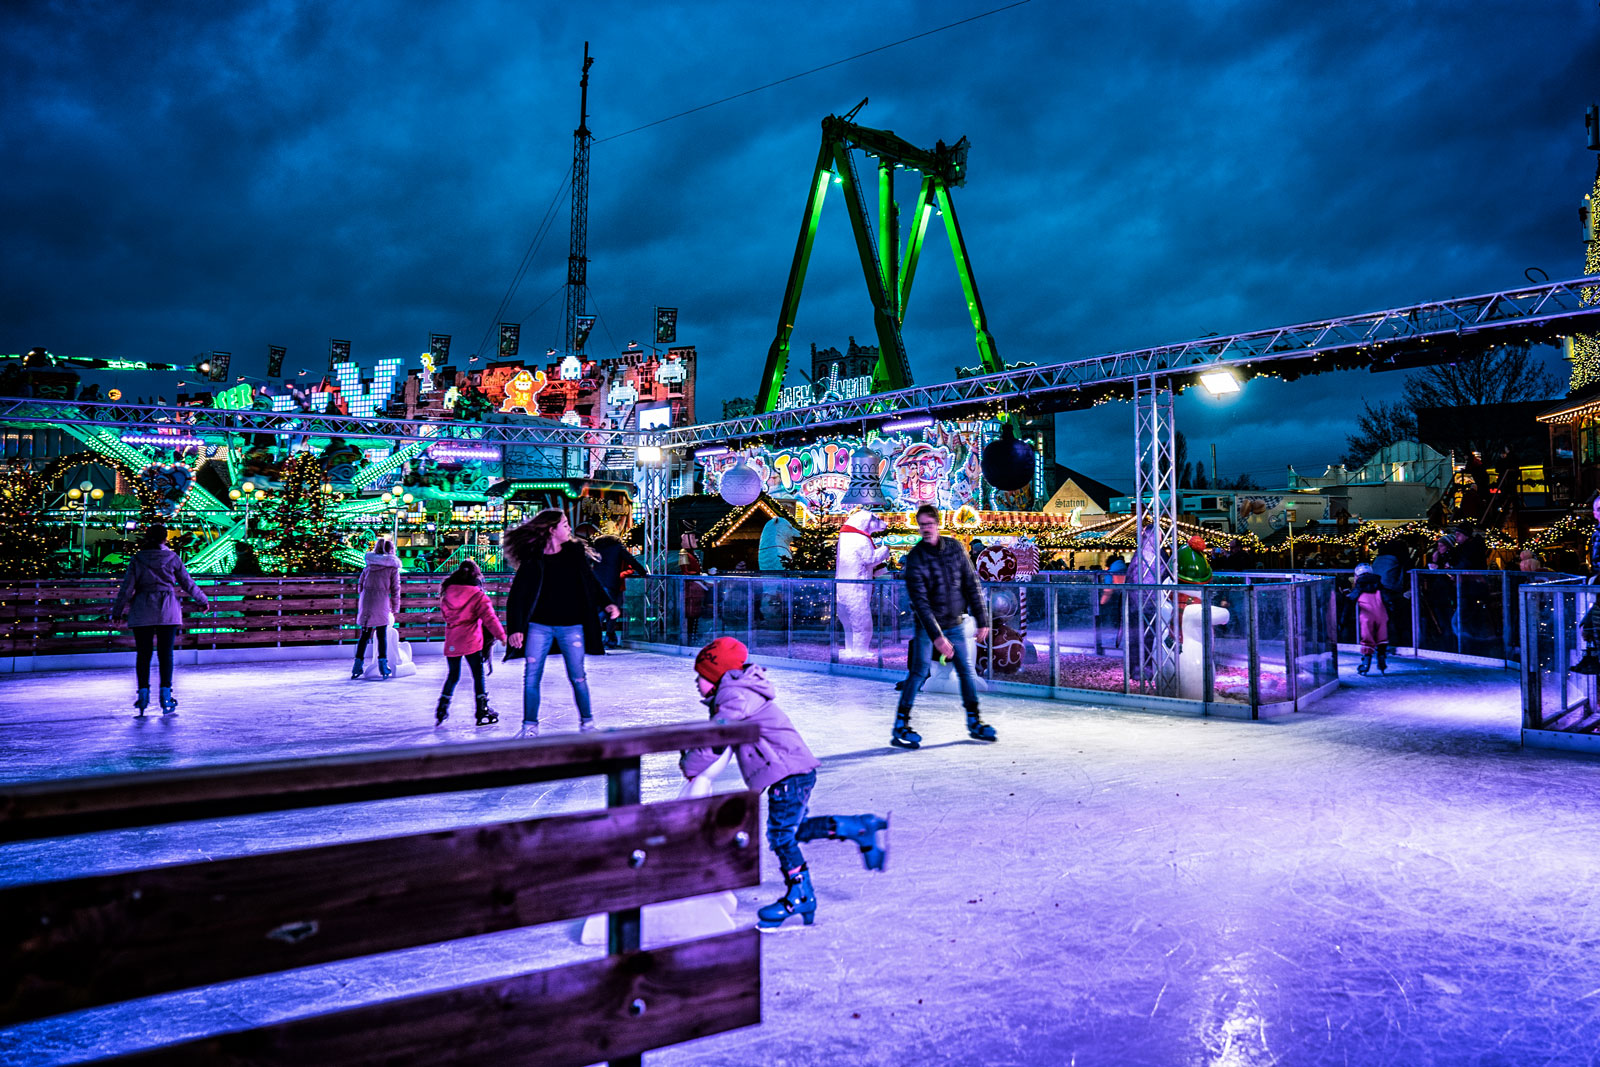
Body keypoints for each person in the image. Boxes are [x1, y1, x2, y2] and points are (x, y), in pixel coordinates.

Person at [681, 637, 887, 931]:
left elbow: (715, 741)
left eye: (700, 676)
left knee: (781, 837)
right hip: (794, 772)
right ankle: (857, 827)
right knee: (796, 830)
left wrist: (688, 765)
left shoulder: (734, 697)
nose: (696, 681)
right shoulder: (737, 692)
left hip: (786, 776)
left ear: (717, 676)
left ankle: (800, 895)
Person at [503, 509, 620, 728]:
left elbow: (590, 580)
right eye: (564, 524)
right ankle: (529, 725)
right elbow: (517, 595)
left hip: (571, 626)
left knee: (578, 676)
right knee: (531, 678)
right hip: (539, 626)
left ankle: (587, 722)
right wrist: (516, 629)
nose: (568, 528)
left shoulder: (573, 552)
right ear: (551, 530)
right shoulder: (534, 556)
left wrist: (607, 602)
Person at [893, 503, 995, 749]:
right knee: (918, 672)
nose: (926, 529)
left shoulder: (955, 548)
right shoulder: (916, 557)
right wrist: (937, 636)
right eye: (922, 525)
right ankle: (901, 723)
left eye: (929, 524)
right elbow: (920, 602)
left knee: (965, 670)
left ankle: (974, 721)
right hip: (928, 627)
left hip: (955, 622)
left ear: (937, 524)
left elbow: (971, 584)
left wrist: (982, 620)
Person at [111, 524, 210, 715]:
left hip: (142, 608)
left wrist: (117, 611)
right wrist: (202, 600)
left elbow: (127, 587)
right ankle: (165, 695)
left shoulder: (138, 559)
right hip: (167, 609)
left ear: (148, 538)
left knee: (144, 654)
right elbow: (187, 582)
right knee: (166, 654)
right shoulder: (172, 557)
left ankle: (143, 695)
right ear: (165, 539)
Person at [434, 560, 506, 726]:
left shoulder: (447, 594)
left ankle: (442, 708)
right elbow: (489, 618)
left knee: (453, 675)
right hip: (471, 640)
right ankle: (481, 710)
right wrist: (501, 635)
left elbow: (446, 616)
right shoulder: (478, 595)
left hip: (452, 640)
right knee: (478, 675)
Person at [577, 521, 647, 650]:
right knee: (608, 610)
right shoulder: (617, 547)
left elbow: (586, 563)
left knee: (602, 609)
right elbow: (631, 560)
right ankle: (597, 635)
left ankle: (598, 636)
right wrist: (643, 571)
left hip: (597, 582)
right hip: (611, 583)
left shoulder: (596, 547)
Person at [352, 538, 402, 679]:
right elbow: (395, 589)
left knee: (364, 635)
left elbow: (360, 584)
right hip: (381, 602)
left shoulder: (369, 565)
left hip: (367, 601)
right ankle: (382, 665)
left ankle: (357, 665)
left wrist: (364, 596)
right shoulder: (392, 568)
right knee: (381, 635)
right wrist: (395, 606)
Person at [1347, 563, 1390, 675]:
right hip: (1382, 614)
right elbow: (1387, 598)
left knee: (1367, 639)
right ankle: (1381, 661)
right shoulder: (1378, 584)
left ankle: (1365, 664)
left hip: (1366, 615)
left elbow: (1352, 598)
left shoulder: (1360, 585)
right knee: (1382, 637)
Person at [680, 547, 710, 641]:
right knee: (691, 615)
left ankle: (693, 637)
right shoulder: (684, 553)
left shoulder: (693, 554)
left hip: (696, 587)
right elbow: (685, 571)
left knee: (695, 615)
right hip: (691, 588)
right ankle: (690, 638)